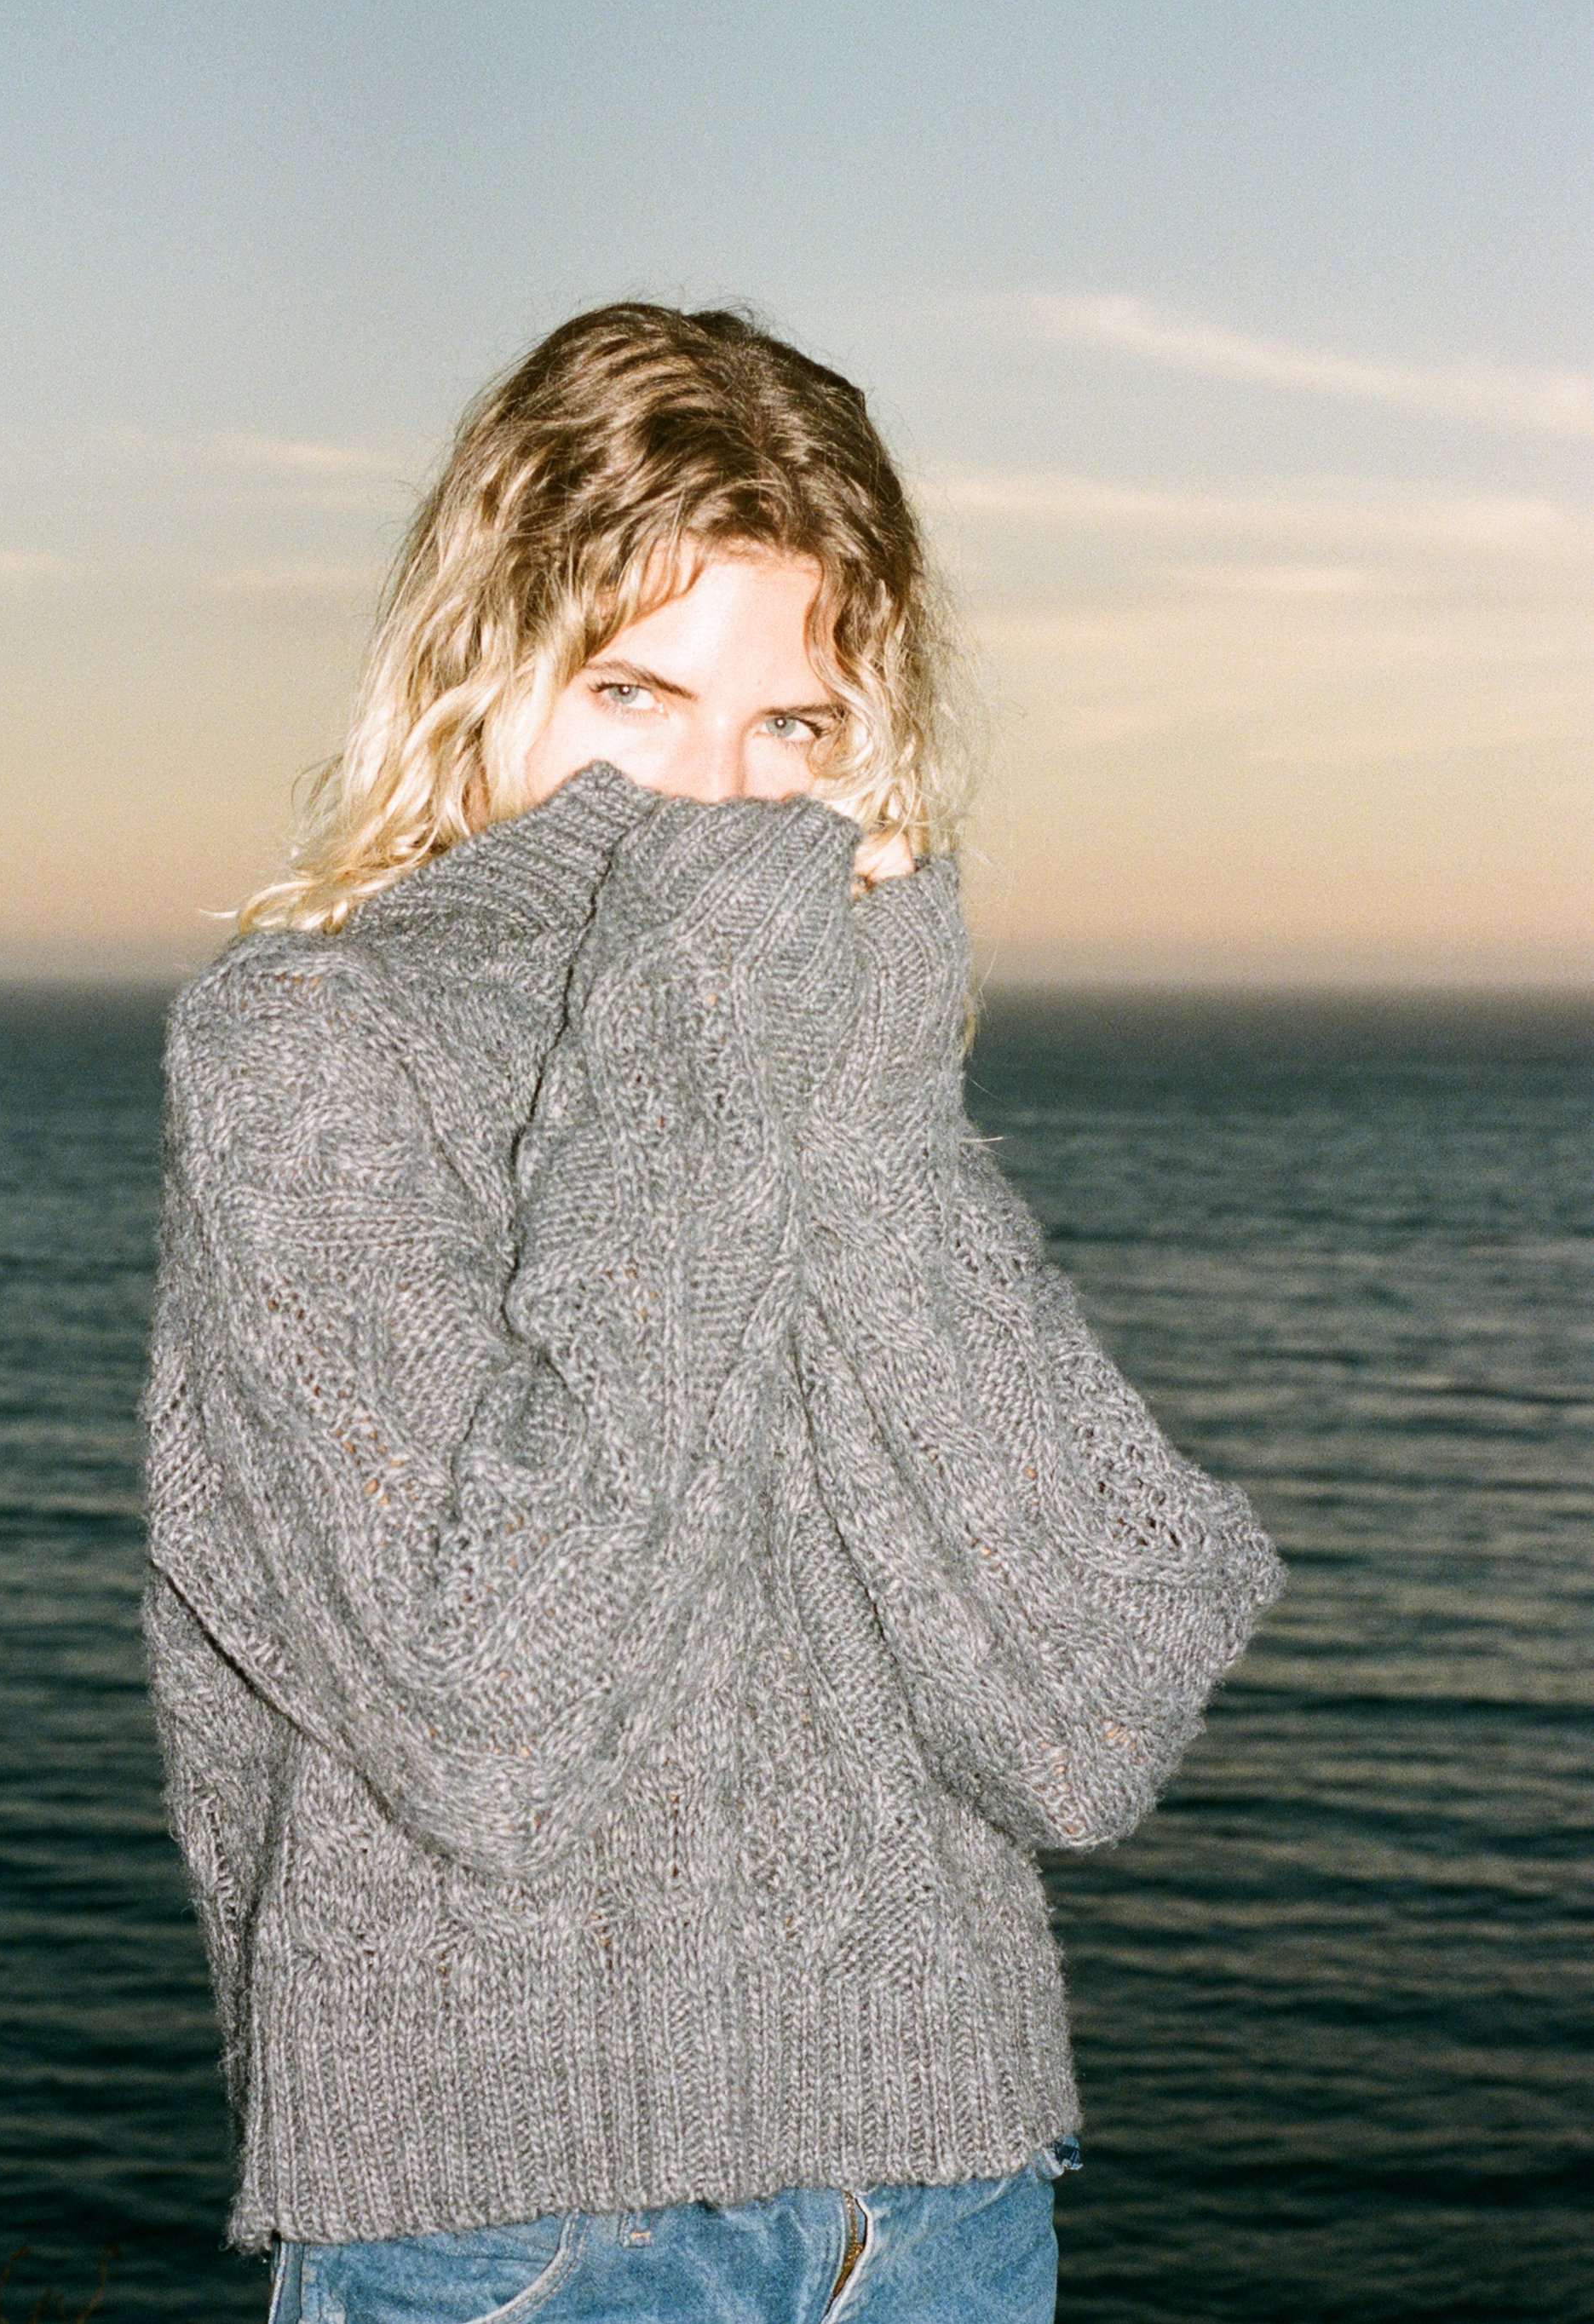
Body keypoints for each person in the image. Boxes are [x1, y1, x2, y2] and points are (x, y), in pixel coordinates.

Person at [141, 302, 1283, 2324]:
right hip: (514, 2232)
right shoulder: (310, 1052)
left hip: (934, 2197)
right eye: (630, 691)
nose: (710, 805)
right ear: (474, 672)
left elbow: (1091, 1702)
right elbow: (487, 1702)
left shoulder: (814, 1046)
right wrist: (704, 1040)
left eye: (795, 729)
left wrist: (844, 1119)